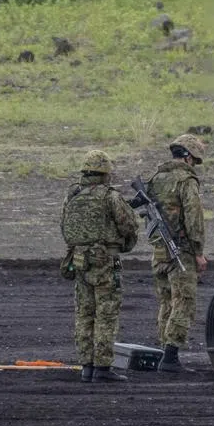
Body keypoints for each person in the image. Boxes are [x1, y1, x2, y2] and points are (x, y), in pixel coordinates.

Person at [61, 150, 139, 383]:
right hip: (105, 262)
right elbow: (129, 226)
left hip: (79, 261)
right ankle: (103, 368)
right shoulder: (110, 196)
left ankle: (87, 366)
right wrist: (122, 246)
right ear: (106, 173)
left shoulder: (72, 194)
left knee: (84, 314)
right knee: (106, 314)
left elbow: (65, 228)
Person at [145, 133, 208, 374]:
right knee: (184, 302)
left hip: (159, 251)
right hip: (180, 251)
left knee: (166, 302)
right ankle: (170, 357)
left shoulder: (156, 178)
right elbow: (194, 218)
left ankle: (165, 353)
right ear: (189, 157)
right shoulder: (186, 180)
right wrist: (199, 252)